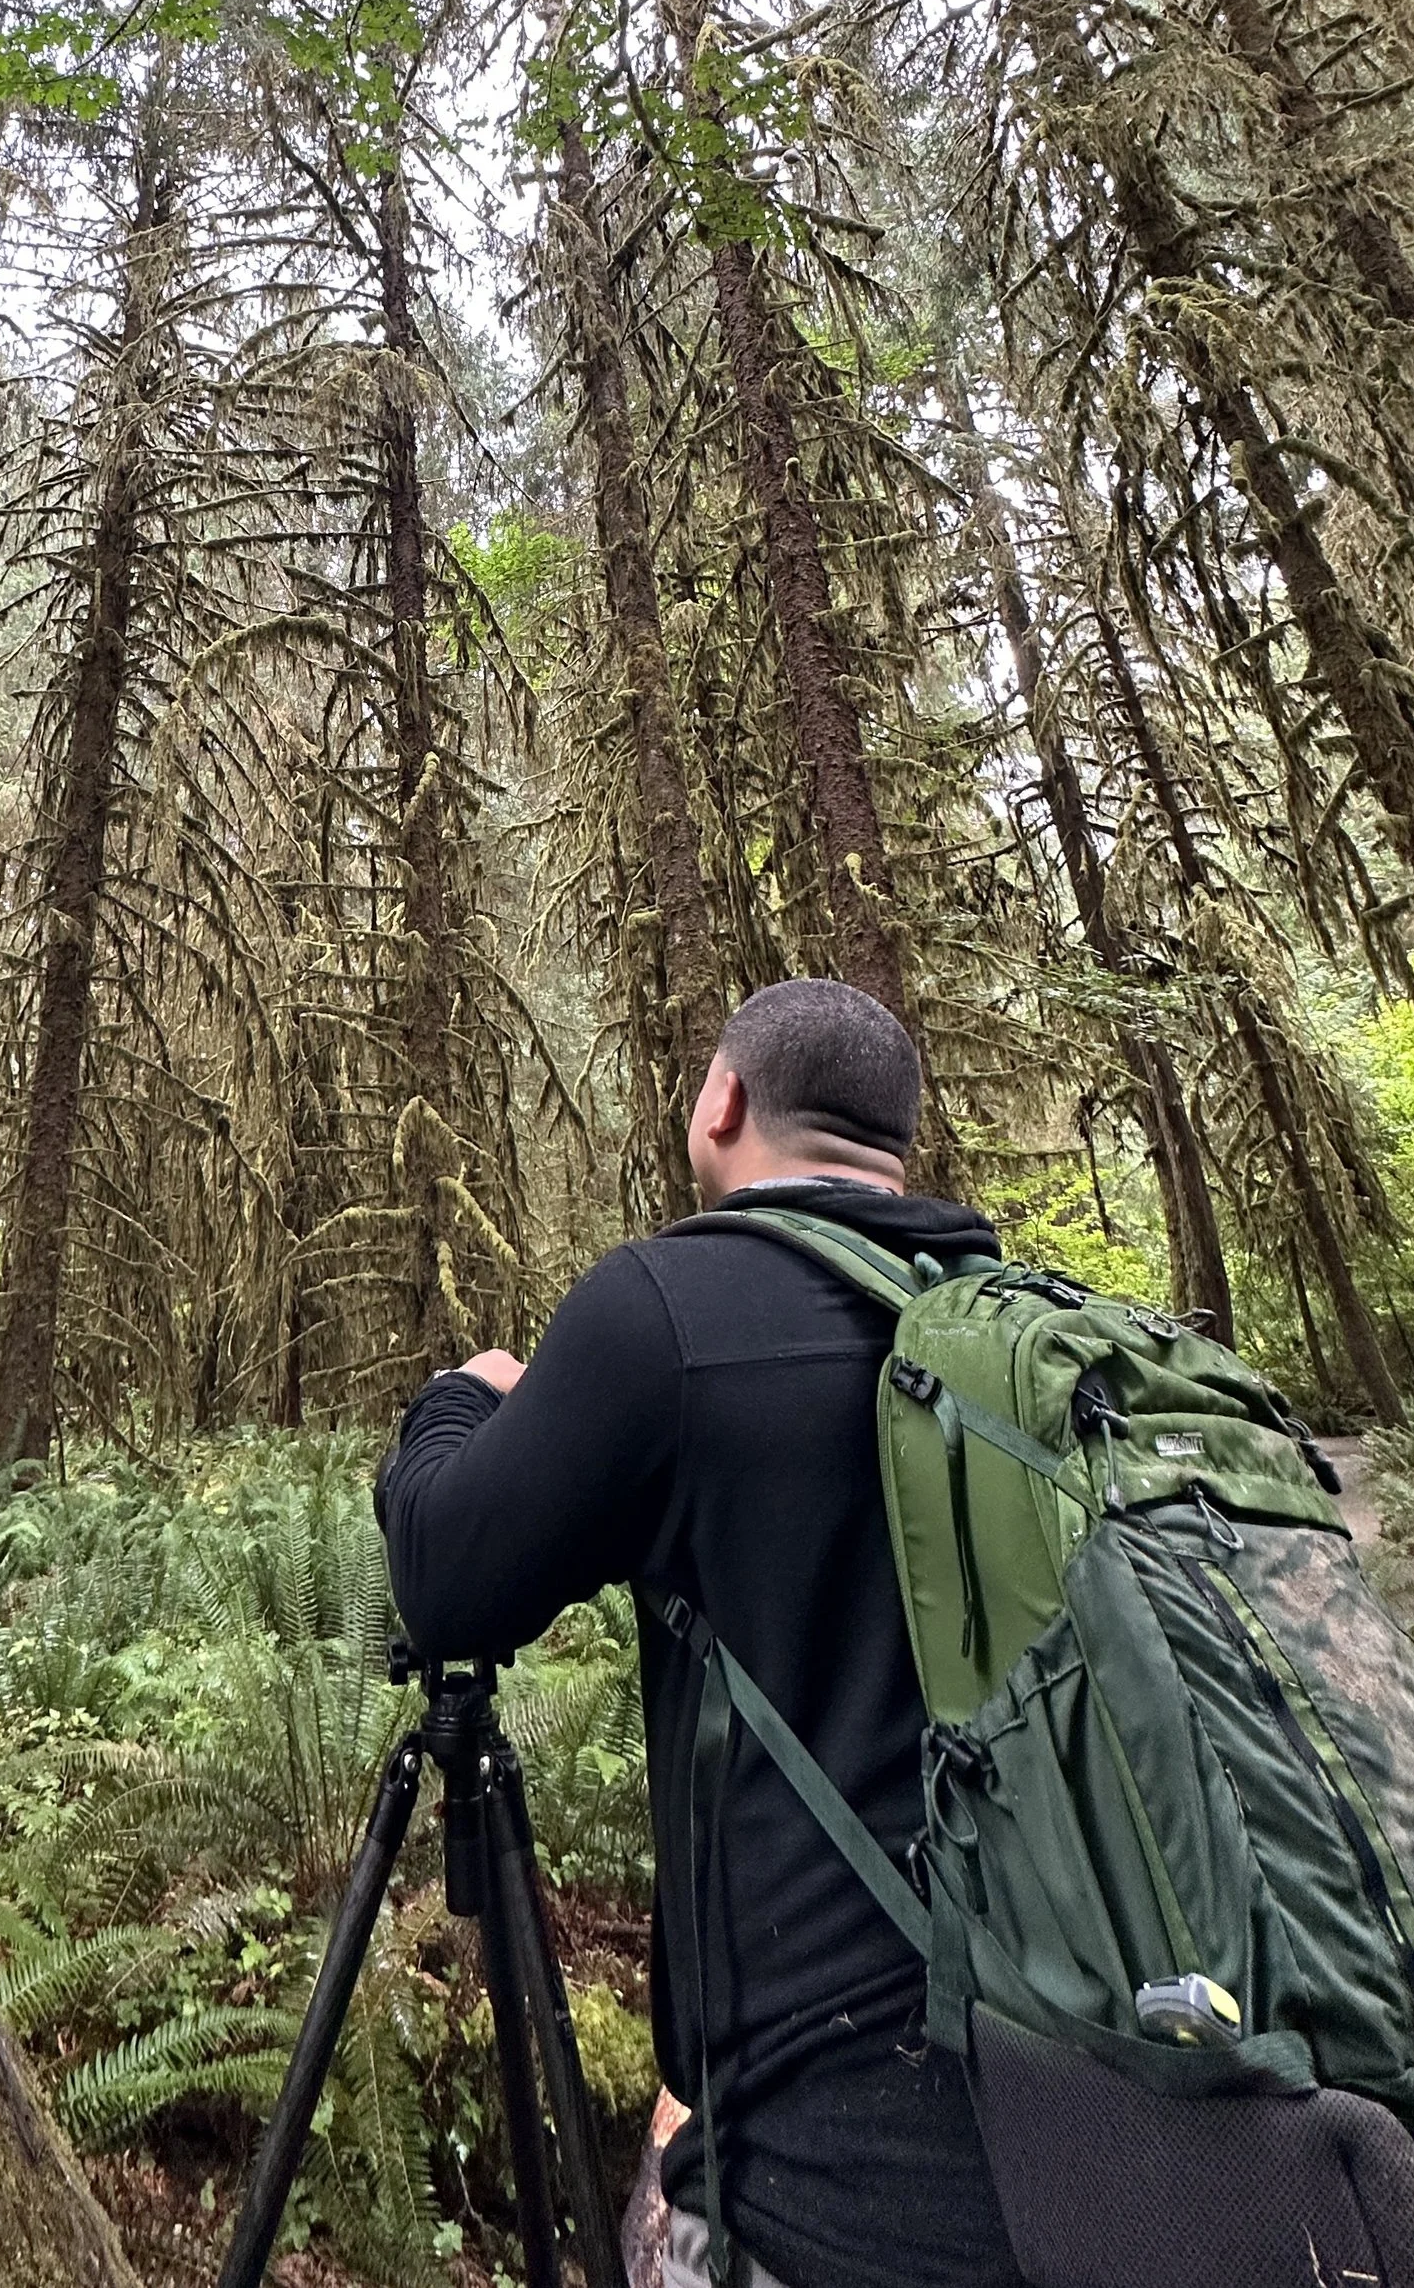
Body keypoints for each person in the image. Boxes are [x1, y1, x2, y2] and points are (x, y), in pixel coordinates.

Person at [374, 979, 1023, 2288]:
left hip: (822, 2165)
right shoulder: (1016, 1325)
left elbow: (446, 1576)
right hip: (1086, 2107)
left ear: (722, 1101)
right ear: (894, 1136)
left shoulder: (668, 1312)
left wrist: (458, 1404)